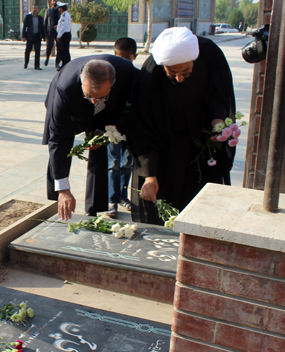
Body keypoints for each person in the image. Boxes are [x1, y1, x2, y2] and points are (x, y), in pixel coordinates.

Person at [130, 27, 236, 224]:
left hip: (200, 147)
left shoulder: (210, 54)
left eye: (186, 72)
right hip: (166, 150)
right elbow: (144, 127)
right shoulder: (152, 73)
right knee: (163, 208)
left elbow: (220, 93)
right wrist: (150, 175)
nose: (179, 79)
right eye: (172, 73)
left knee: (200, 208)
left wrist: (217, 120)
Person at [43, 56, 137, 220]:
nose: (94, 102)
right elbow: (58, 139)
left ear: (113, 83)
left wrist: (101, 132)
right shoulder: (65, 87)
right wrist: (64, 190)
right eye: (90, 96)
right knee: (61, 146)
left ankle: (94, 207)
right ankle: (59, 198)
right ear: (81, 79)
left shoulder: (129, 74)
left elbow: (125, 108)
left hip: (108, 109)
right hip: (72, 100)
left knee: (98, 147)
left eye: (100, 97)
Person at [106, 37, 137, 218]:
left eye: (128, 58)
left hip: (131, 128)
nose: (124, 62)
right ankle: (112, 200)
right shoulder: (110, 76)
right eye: (120, 58)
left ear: (135, 56)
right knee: (114, 164)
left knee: (127, 163)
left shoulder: (138, 76)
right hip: (113, 128)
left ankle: (123, 196)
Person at [22, 4, 46, 70]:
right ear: (32, 9)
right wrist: (24, 36)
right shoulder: (28, 17)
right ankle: (26, 63)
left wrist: (44, 36)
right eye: (34, 8)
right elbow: (24, 27)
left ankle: (37, 66)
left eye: (36, 8)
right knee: (28, 51)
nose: (35, 9)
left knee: (37, 52)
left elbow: (42, 28)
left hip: (37, 36)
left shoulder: (40, 18)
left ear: (38, 10)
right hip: (30, 36)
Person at [55, 2, 71, 70]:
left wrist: (59, 35)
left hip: (64, 35)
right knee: (63, 51)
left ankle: (66, 66)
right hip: (64, 34)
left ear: (61, 8)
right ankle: (64, 65)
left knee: (64, 52)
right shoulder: (64, 15)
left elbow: (63, 27)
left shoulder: (64, 15)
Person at [44, 1, 60, 68]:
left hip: (58, 31)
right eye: (53, 1)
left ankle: (57, 63)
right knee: (49, 46)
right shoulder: (48, 11)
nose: (54, 2)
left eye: (56, 1)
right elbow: (45, 22)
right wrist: (44, 33)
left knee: (59, 47)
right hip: (50, 31)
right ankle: (47, 58)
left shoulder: (60, 10)